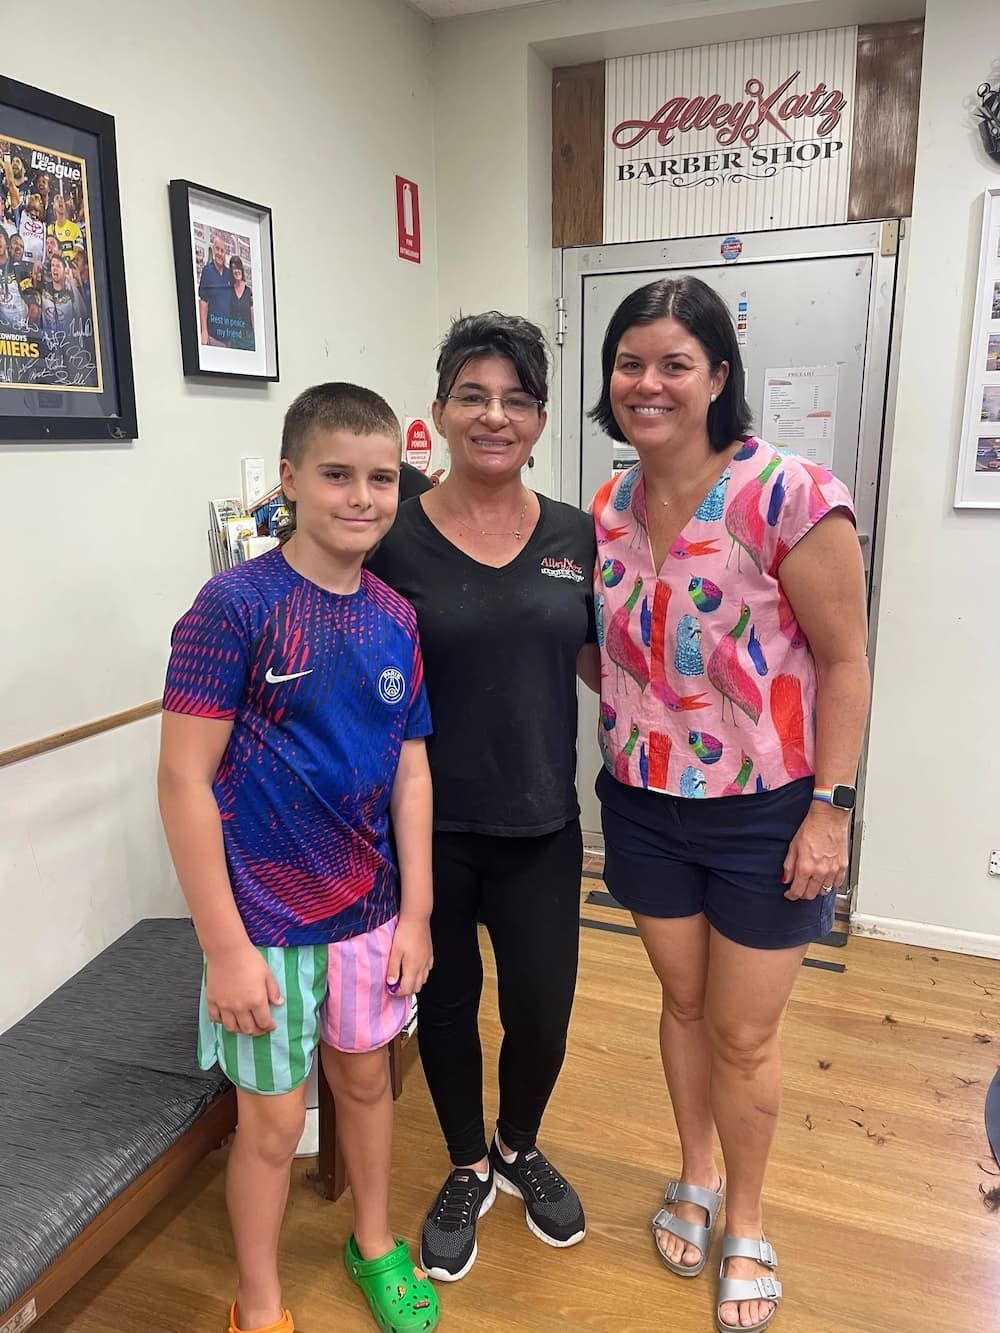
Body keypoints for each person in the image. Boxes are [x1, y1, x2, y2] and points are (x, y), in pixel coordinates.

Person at [588, 276, 869, 1333]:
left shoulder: (790, 494)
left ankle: (746, 1220)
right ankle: (693, 1173)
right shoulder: (608, 507)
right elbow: (617, 654)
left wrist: (831, 811)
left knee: (745, 1034)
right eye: (629, 362)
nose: (648, 382)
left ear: (716, 376)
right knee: (684, 1004)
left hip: (765, 810)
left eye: (673, 363)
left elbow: (844, 664)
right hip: (644, 801)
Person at [158, 382, 440, 1333]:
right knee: (274, 1123)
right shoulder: (233, 608)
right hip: (264, 926)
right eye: (336, 475)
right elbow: (182, 784)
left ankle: (371, 1244)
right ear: (289, 479)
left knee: (367, 1081)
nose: (361, 497)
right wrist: (224, 948)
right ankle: (264, 1302)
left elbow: (410, 773)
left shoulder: (397, 617)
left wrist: (418, 912)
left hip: (369, 913)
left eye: (381, 478)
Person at [368, 312, 598, 1283]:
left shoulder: (575, 535)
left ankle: (518, 1142)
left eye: (514, 398)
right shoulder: (393, 537)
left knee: (542, 1010)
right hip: (429, 830)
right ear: (438, 411)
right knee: (449, 1008)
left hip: (544, 823)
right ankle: (466, 1161)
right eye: (472, 394)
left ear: (540, 418)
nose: (493, 414)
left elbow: (604, 662)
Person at [199, 229, 234, 346]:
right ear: (213, 249)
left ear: (225, 253)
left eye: (222, 250)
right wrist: (204, 331)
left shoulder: (230, 274)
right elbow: (203, 302)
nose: (220, 253)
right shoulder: (207, 271)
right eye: (217, 249)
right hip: (213, 337)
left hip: (230, 337)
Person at [228, 255, 255, 351]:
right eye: (234, 268)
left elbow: (253, 316)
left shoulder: (249, 291)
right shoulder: (229, 291)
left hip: (249, 339)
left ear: (242, 270)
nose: (236, 271)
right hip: (234, 339)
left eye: (238, 268)